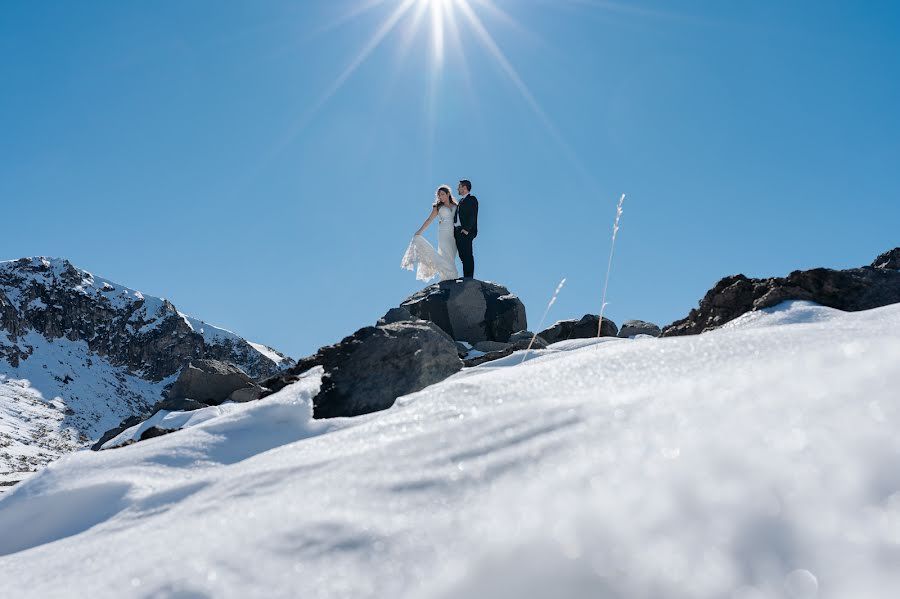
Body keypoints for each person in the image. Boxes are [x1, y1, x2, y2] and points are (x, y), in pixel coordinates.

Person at [400, 185, 459, 281]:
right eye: (439, 195)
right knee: (445, 253)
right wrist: (419, 231)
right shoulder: (438, 207)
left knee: (451, 256)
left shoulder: (456, 206)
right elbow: (429, 219)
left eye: (442, 194)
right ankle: (452, 276)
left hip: (454, 234)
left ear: (448, 194)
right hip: (443, 232)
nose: (440, 197)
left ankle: (447, 276)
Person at [453, 179, 478, 278]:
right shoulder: (460, 201)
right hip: (458, 231)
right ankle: (466, 277)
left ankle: (469, 278)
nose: (457, 189)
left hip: (466, 232)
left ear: (464, 187)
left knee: (468, 255)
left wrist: (467, 229)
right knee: (462, 256)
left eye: (459, 187)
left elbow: (473, 215)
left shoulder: (472, 199)